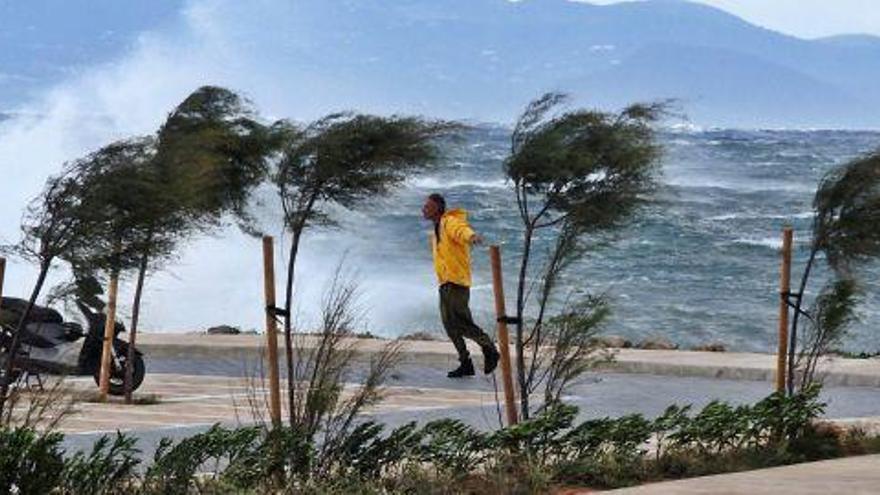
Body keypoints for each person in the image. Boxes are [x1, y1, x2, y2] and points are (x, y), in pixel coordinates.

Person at [422, 193, 500, 378]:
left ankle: (489, 348)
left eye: (427, 206)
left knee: (461, 322)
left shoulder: (449, 222)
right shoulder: (436, 229)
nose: (423, 209)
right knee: (449, 325)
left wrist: (471, 237)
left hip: (456, 282)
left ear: (438, 208)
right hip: (445, 282)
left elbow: (461, 230)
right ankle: (465, 363)